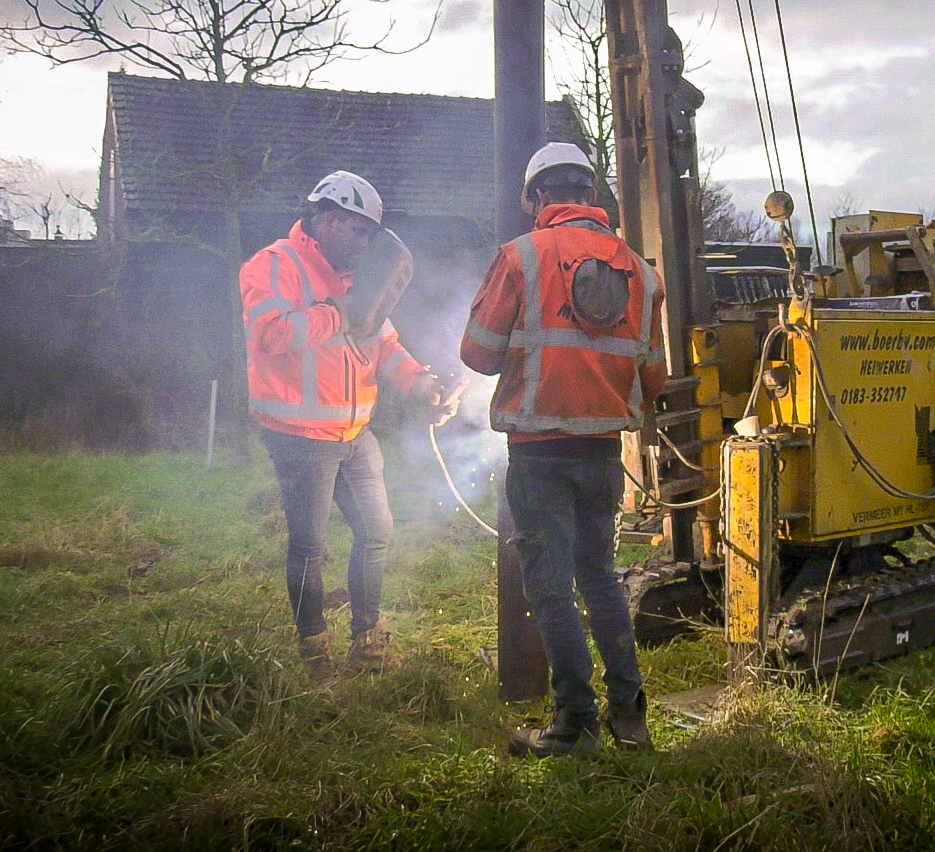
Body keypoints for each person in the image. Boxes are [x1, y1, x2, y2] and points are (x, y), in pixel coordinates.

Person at [459, 142, 667, 756]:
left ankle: (576, 724)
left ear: (537, 199)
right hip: (604, 455)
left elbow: (477, 352)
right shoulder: (642, 271)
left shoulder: (521, 256)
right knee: (600, 578)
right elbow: (652, 376)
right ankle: (630, 716)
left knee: (550, 586)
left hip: (539, 454)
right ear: (592, 196)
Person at [242, 170, 441, 680]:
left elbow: (384, 344)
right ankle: (315, 651)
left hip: (354, 434)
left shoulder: (354, 279)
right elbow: (269, 334)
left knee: (377, 531)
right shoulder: (273, 266)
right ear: (330, 220)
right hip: (299, 436)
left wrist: (421, 384)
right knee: (310, 546)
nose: (366, 243)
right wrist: (337, 316)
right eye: (359, 231)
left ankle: (368, 642)